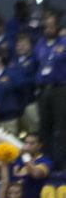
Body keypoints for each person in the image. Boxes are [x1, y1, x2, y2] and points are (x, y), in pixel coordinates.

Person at [35, 11, 66, 169]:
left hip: (60, 88)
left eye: (52, 26)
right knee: (44, 127)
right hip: (43, 89)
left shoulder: (64, 42)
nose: (49, 29)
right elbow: (39, 62)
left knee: (61, 127)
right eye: (46, 26)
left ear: (57, 27)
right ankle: (46, 161)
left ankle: (61, 163)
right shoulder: (40, 43)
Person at [10, 32, 38, 133]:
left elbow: (37, 78)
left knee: (33, 131)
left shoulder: (35, 60)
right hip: (15, 104)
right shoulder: (13, 61)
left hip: (30, 101)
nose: (20, 47)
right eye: (19, 45)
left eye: (24, 44)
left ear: (30, 45)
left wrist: (20, 82)